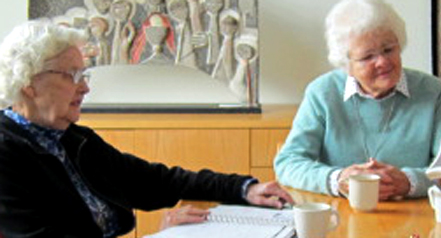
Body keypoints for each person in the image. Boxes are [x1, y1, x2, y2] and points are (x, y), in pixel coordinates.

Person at [0, 21, 294, 238]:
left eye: (84, 74)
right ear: (28, 82)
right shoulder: (6, 153)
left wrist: (244, 188)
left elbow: (155, 180)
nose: (85, 86)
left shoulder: (73, 139)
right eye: (71, 75)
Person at [274, 0, 441, 200]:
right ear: (346, 64)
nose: (383, 62)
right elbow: (288, 163)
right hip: (343, 215)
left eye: (388, 49)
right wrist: (338, 179)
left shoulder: (432, 91)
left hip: (414, 215)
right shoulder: (323, 93)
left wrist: (409, 182)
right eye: (368, 56)